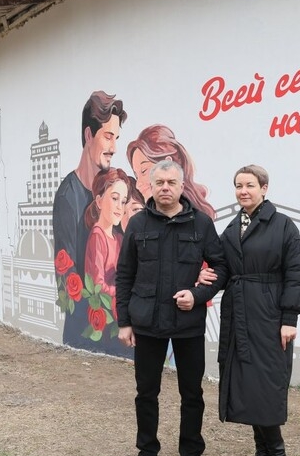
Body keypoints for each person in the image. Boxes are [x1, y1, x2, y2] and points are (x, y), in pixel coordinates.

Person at [115, 160, 227, 456]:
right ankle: (146, 455)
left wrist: (198, 294)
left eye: (171, 182)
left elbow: (221, 267)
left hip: (187, 322)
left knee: (192, 393)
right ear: (150, 186)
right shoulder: (137, 223)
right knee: (146, 392)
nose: (165, 187)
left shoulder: (201, 224)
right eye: (159, 182)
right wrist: (124, 322)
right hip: (147, 322)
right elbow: (125, 274)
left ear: (181, 186)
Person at [199, 164, 300, 456]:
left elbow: (296, 274)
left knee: (266, 386)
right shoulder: (233, 228)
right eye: (238, 186)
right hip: (240, 316)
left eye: (249, 185)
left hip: (269, 316)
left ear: (264, 188)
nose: (243, 191)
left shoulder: (283, 226)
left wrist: (289, 319)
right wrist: (203, 277)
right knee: (247, 385)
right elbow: (222, 267)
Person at [52, 91, 127, 351]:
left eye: (116, 138)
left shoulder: (114, 188)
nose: (113, 148)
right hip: (85, 337)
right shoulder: (68, 196)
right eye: (108, 136)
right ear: (88, 135)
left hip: (118, 329)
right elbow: (66, 279)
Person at [83, 167, 132, 356]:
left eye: (123, 201)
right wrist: (123, 292)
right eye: (114, 198)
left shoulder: (118, 239)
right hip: (107, 315)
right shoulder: (98, 236)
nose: (120, 206)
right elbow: (98, 285)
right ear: (99, 201)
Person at [126, 124, 216, 219]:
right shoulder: (139, 222)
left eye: (144, 171)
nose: (138, 185)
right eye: (136, 176)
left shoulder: (201, 219)